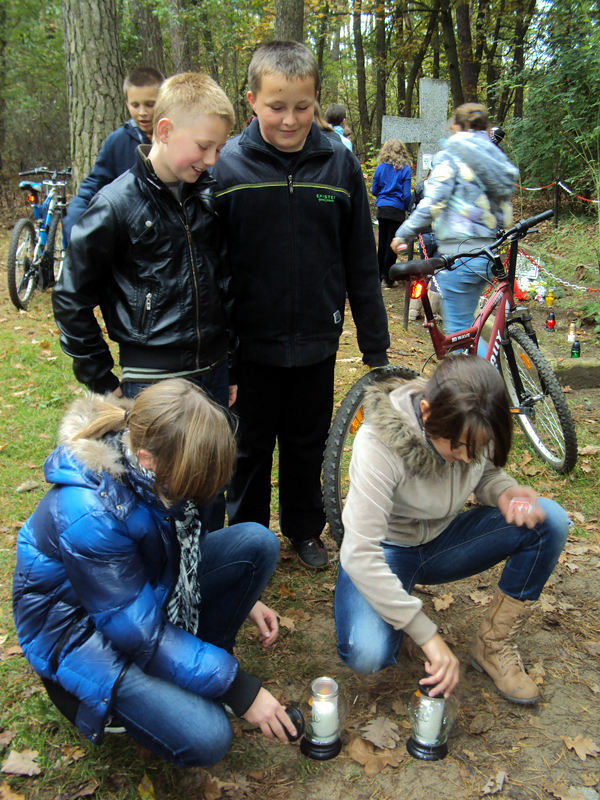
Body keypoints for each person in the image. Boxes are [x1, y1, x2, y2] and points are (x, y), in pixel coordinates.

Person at [13, 380, 298, 766]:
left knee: (255, 544)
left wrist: (248, 600)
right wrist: (240, 690)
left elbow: (182, 543)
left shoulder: (153, 459)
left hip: (137, 596)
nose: (202, 494)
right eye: (194, 481)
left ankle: (196, 671)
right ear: (147, 459)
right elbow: (139, 634)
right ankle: (86, 697)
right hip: (81, 635)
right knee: (209, 737)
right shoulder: (91, 513)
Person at [211, 41, 390, 569]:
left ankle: (305, 528)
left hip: (315, 336)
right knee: (247, 447)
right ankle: (246, 539)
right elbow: (212, 263)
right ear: (252, 101)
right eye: (276, 106)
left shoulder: (339, 165)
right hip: (248, 345)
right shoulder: (227, 168)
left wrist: (374, 344)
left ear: (316, 102)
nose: (289, 119)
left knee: (306, 440)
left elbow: (360, 258)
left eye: (302, 106)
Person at [53, 72, 236, 529]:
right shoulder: (115, 205)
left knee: (209, 487)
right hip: (151, 381)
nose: (212, 160)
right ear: (165, 130)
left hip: (212, 373)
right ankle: (162, 590)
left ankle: (210, 584)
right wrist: (100, 378)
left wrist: (230, 360)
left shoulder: (208, 200)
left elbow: (225, 282)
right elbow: (71, 297)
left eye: (219, 149)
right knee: (160, 496)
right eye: (204, 146)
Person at [334, 356, 570, 703]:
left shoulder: (477, 419)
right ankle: (398, 604)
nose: (463, 457)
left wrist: (504, 492)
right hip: (387, 550)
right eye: (454, 446)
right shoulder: (377, 443)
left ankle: (493, 644)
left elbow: (485, 473)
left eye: (472, 449)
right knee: (367, 653)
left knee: (550, 521)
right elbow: (359, 553)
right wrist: (426, 634)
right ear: (427, 412)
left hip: (444, 542)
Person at [391, 103, 519, 356]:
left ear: (457, 127)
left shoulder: (454, 156)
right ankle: (486, 377)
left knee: (458, 334)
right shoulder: (495, 158)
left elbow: (432, 203)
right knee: (471, 326)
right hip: (488, 253)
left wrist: (402, 232)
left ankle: (476, 388)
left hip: (460, 254)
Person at [63, 67, 165, 242]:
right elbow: (94, 186)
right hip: (129, 239)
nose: (142, 112)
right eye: (135, 105)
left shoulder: (174, 140)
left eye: (150, 104)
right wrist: (75, 224)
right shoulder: (117, 142)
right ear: (126, 103)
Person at [371, 138, 412, 287]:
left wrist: (383, 196)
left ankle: (377, 276)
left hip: (383, 208)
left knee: (382, 243)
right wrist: (407, 208)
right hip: (397, 209)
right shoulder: (405, 169)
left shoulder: (380, 167)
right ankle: (388, 278)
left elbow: (374, 189)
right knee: (393, 244)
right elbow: (407, 194)